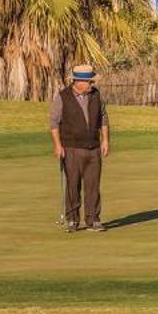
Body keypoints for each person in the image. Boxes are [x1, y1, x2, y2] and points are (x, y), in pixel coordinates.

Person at [49, 64, 111, 232]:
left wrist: (105, 140)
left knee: (93, 186)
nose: (91, 84)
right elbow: (54, 123)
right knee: (73, 185)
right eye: (88, 81)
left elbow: (103, 118)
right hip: (71, 148)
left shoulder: (96, 95)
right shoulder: (62, 97)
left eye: (91, 81)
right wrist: (57, 145)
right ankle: (72, 220)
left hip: (93, 147)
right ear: (78, 82)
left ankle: (93, 219)